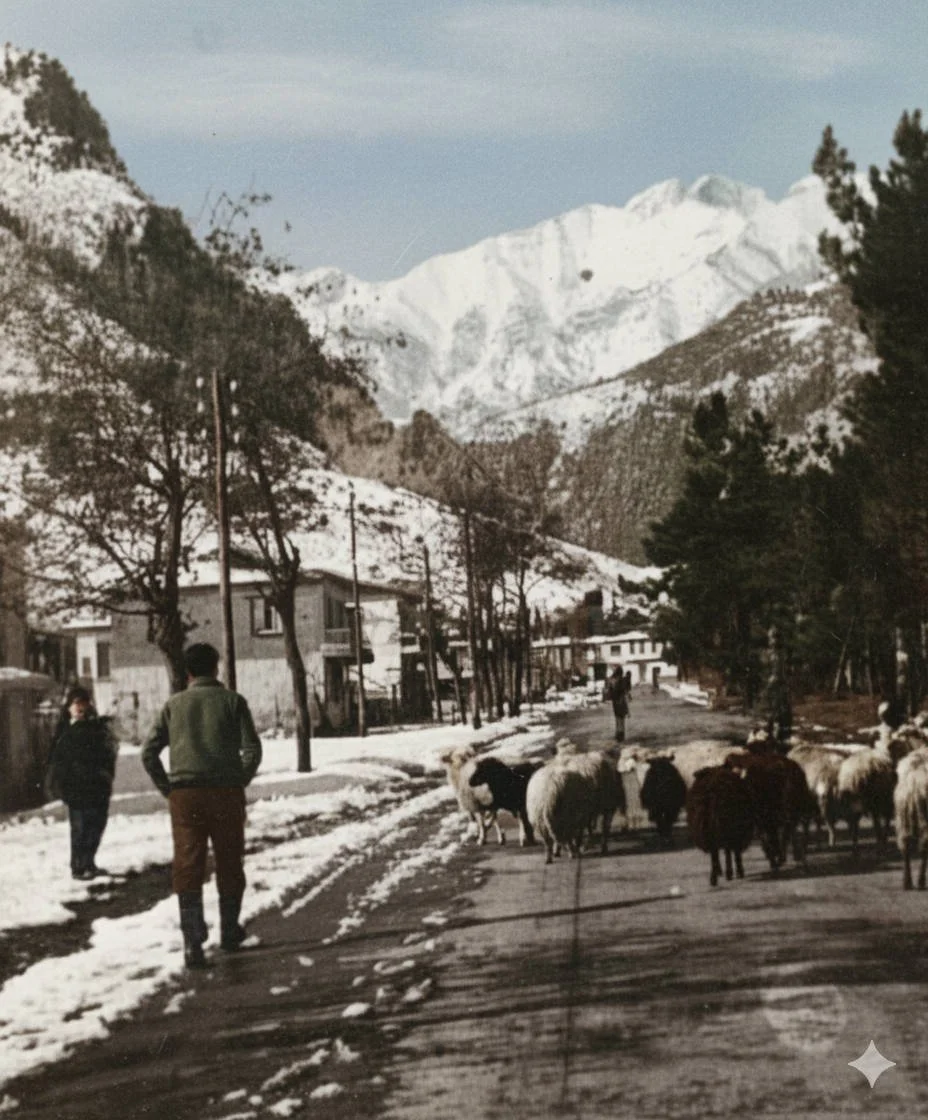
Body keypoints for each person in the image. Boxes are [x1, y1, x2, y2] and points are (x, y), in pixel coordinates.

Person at [142, 642, 262, 969]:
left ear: (188, 672)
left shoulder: (173, 705)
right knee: (229, 860)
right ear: (216, 667)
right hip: (225, 792)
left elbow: (148, 752)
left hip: (185, 795)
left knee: (188, 863)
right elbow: (253, 749)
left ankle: (192, 941)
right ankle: (229, 930)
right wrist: (239, 779)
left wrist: (168, 788)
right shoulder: (233, 702)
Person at [45, 685, 118, 880]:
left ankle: (89, 862)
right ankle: (78, 867)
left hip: (97, 786)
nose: (79, 707)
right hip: (75, 787)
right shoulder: (63, 731)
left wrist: (107, 775)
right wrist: (57, 785)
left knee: (97, 825)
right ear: (68, 707)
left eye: (82, 703)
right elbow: (55, 760)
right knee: (80, 827)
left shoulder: (96, 729)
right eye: (75, 703)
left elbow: (108, 753)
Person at [602, 665, 631, 743]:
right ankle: (621, 734)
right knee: (621, 718)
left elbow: (609, 691)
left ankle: (618, 733)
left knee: (617, 717)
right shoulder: (621, 680)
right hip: (621, 700)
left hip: (615, 701)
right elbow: (625, 690)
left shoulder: (612, 680)